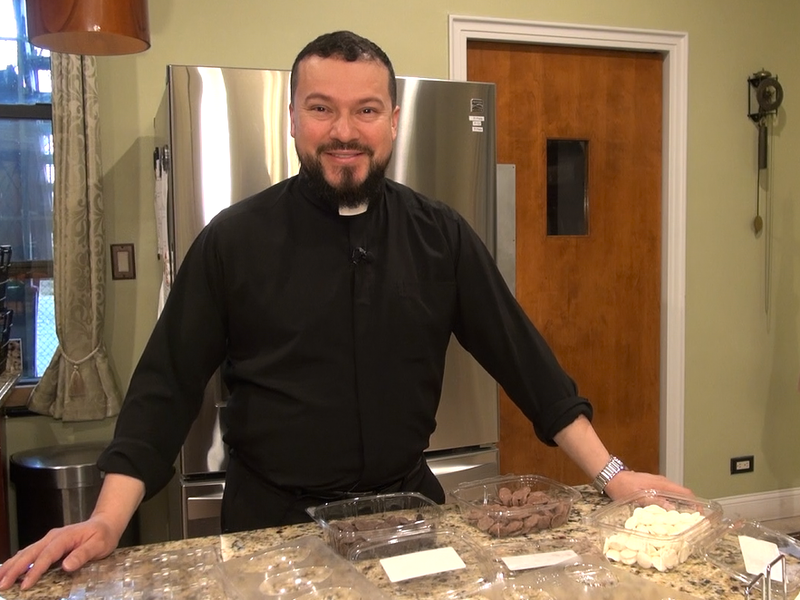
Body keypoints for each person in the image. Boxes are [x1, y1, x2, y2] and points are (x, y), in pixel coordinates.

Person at [0, 30, 691, 591]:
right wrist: (107, 521)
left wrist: (613, 475)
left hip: (409, 517)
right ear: (294, 117)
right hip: (272, 522)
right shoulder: (233, 240)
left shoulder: (440, 235)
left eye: (366, 110)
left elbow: (526, 360)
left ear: (392, 121)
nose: (344, 131)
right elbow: (164, 389)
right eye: (322, 107)